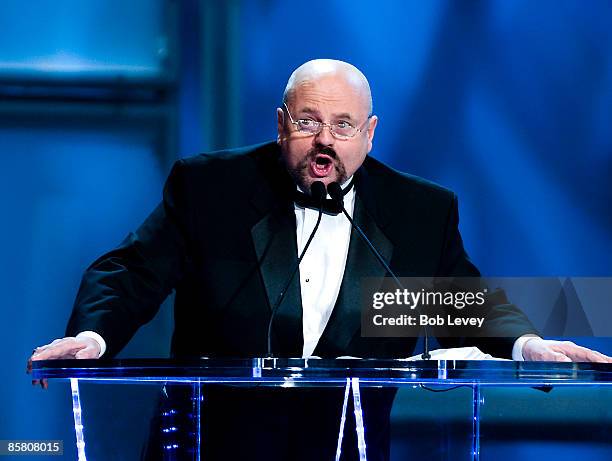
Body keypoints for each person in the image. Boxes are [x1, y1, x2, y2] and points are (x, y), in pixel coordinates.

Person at [29, 59, 611, 459]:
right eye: (308, 123)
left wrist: (528, 346)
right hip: (213, 446)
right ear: (282, 124)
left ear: (370, 133)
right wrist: (93, 336)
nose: (325, 141)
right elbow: (133, 270)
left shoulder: (418, 211)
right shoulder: (213, 188)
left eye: (343, 125)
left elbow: (460, 302)